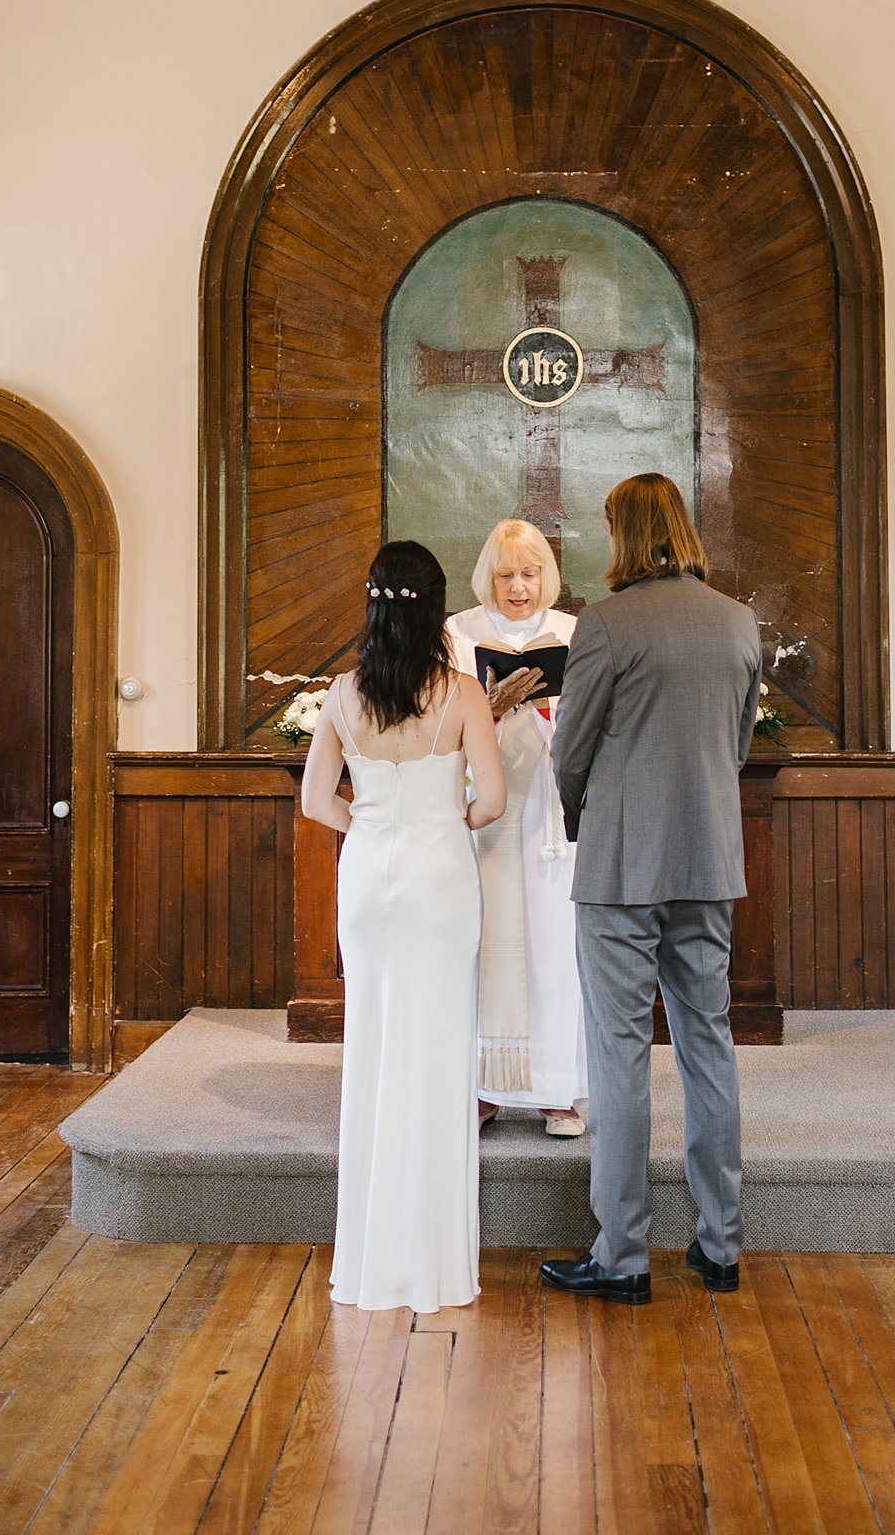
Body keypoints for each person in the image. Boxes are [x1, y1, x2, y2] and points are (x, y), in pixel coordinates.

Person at [542, 475, 762, 1306]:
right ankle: (719, 1245)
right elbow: (735, 744)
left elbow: (572, 746)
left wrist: (579, 818)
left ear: (622, 533)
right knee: (707, 1042)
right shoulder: (736, 621)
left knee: (619, 1052)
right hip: (706, 858)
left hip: (621, 862)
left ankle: (622, 1256)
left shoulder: (605, 622)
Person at [301, 540, 506, 1313]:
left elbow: (317, 803)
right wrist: (438, 822)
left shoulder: (343, 692)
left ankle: (368, 1262)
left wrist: (374, 824)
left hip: (368, 874)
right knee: (437, 1049)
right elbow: (491, 801)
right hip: (439, 876)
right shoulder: (460, 693)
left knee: (375, 1045)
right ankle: (433, 1265)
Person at [446, 520, 588, 1138]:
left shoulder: (572, 633)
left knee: (556, 947)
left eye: (529, 574)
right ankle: (485, 1087)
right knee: (489, 946)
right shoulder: (461, 632)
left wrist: (551, 707)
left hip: (552, 816)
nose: (519, 587)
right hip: (490, 809)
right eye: (506, 575)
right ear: (489, 578)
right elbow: (442, 717)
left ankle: (558, 1091)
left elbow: (593, 716)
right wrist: (491, 707)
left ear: (545, 577)